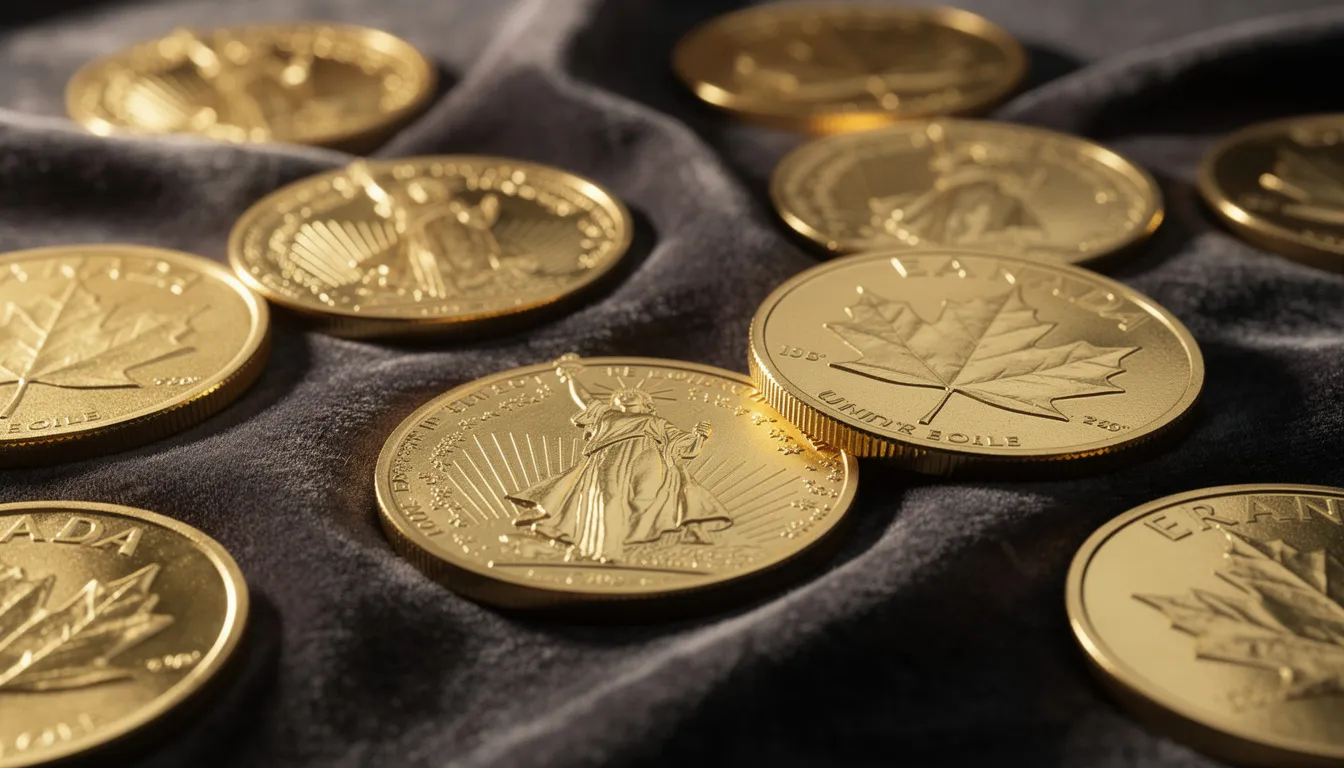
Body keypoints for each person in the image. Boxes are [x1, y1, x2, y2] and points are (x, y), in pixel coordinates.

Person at [507, 357, 733, 562]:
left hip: (646, 455)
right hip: (608, 456)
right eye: (619, 395)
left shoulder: (655, 421)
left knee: (648, 495)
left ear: (646, 402)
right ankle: (606, 550)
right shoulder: (607, 414)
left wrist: (698, 436)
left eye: (633, 393)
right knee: (608, 497)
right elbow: (585, 398)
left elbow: (679, 440)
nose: (624, 394)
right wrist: (571, 377)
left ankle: (655, 532)